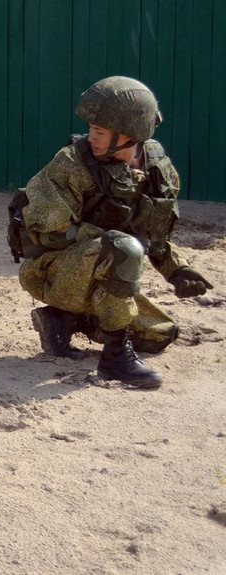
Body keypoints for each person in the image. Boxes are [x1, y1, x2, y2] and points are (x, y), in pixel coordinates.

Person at [14, 76, 214, 389]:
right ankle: (115, 359)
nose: (91, 137)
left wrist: (178, 270)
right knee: (124, 248)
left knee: (160, 333)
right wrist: (111, 241)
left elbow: (154, 237)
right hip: (52, 273)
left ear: (129, 135)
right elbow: (45, 232)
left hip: (108, 275)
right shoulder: (72, 164)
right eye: (91, 129)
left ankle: (64, 321)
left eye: (100, 131)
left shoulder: (157, 170)